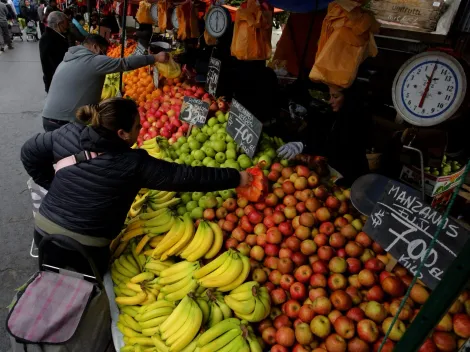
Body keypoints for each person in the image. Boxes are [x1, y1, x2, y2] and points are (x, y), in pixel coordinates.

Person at [21, 97, 251, 275]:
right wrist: (237, 178)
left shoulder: (67, 133)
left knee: (53, 282)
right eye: (137, 127)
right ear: (121, 133)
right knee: (87, 293)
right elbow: (187, 176)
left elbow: (28, 153)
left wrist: (52, 185)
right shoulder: (132, 163)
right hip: (87, 249)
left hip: (43, 233)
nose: (140, 131)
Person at [41, 34, 169, 132]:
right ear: (95, 47)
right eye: (103, 51)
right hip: (65, 122)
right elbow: (124, 63)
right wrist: (155, 57)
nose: (105, 55)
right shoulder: (93, 60)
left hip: (49, 117)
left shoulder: (67, 60)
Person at [277, 84, 370, 186]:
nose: (330, 101)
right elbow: (324, 126)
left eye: (335, 97)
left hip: (352, 174)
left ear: (349, 98)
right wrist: (307, 114)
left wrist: (304, 145)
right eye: (330, 96)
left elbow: (335, 145)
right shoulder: (338, 112)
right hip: (335, 169)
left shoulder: (356, 119)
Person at [39, 11, 69, 93]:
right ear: (59, 23)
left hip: (56, 81)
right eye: (66, 23)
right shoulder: (49, 39)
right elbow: (55, 63)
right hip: (55, 82)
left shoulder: (54, 36)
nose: (67, 26)